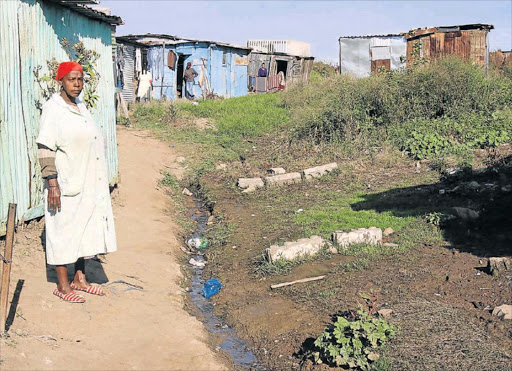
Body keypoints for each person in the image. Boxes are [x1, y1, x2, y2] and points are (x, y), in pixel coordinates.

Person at [36, 61, 117, 303]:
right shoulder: (54, 108)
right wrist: (52, 183)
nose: (77, 84)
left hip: (87, 180)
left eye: (80, 80)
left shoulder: (80, 106)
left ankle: (79, 279)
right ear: (60, 81)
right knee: (62, 231)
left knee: (83, 229)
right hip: (64, 182)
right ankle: (62, 285)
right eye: (72, 79)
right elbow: (45, 147)